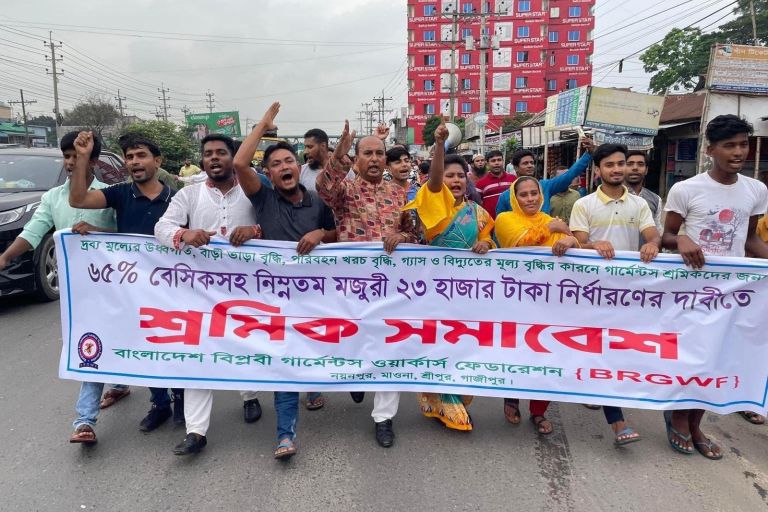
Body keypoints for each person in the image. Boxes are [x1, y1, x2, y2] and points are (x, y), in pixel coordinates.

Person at [234, 103, 337, 459]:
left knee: (313, 349)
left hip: (314, 298)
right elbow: (238, 164)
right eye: (275, 164)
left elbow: (336, 236)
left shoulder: (316, 201)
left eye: (288, 161)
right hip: (275, 300)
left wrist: (320, 234)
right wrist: (263, 125)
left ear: (298, 167)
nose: (283, 168)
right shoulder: (262, 197)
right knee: (285, 362)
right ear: (268, 174)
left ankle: (316, 385)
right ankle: (285, 435)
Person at [663, 115, 768, 458]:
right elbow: (666, 235)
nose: (738, 152)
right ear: (710, 150)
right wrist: (681, 240)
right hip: (692, 292)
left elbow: (750, 239)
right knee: (692, 357)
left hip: (733, 293)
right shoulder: (686, 189)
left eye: (743, 144)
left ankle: (696, 423)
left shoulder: (756, 190)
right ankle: (679, 417)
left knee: (717, 360)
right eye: (729, 145)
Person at [153, 133, 264, 455]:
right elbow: (162, 227)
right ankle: (196, 431)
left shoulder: (253, 190)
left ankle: (249, 396)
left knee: (245, 343)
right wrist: (184, 233)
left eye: (221, 153)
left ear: (234, 157)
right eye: (208, 154)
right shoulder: (189, 195)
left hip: (249, 287)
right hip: (201, 290)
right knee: (198, 354)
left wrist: (256, 232)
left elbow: (273, 224)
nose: (214, 158)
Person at [69, 132, 181, 439]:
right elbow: (78, 199)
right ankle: (160, 404)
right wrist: (81, 157)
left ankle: (182, 399)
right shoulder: (119, 193)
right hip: (131, 290)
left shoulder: (177, 199)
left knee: (173, 345)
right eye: (129, 157)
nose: (135, 162)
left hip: (172, 289)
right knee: (146, 345)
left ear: (157, 161)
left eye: (141, 155)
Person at [316, 120, 419, 448]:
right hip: (352, 288)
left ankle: (384, 418)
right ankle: (356, 374)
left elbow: (413, 234)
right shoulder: (343, 192)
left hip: (391, 289)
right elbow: (323, 186)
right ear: (356, 160)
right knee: (354, 341)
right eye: (367, 153)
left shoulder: (399, 193)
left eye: (379, 153)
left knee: (390, 347)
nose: (374, 158)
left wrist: (400, 235)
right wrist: (341, 150)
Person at [403, 120, 495, 431]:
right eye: (449, 175)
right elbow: (434, 181)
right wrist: (440, 146)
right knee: (438, 343)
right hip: (432, 289)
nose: (454, 180)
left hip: (468, 293)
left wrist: (486, 243)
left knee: (464, 344)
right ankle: (445, 402)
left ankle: (455, 395)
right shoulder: (432, 201)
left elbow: (490, 242)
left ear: (467, 180)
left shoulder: (480, 213)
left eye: (460, 175)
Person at [568, 143, 661, 446]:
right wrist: (593, 245)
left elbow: (651, 235)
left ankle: (595, 386)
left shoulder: (640, 205)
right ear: (598, 170)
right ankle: (617, 420)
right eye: (610, 165)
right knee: (604, 350)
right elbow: (578, 245)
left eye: (622, 163)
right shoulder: (584, 205)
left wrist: (652, 245)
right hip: (594, 292)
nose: (618, 169)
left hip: (629, 292)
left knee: (618, 349)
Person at [494, 177, 576, 434]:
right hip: (516, 299)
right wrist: (553, 228)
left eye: (534, 194)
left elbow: (577, 253)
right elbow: (521, 242)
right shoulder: (506, 219)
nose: (530, 199)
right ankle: (512, 397)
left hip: (552, 302)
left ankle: (539, 412)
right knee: (517, 352)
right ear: (514, 198)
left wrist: (572, 241)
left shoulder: (548, 219)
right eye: (524, 195)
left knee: (548, 354)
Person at [496, 141, 594, 216]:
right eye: (525, 163)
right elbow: (500, 224)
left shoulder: (545, 186)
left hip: (545, 239)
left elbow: (569, 175)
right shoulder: (506, 196)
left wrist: (588, 154)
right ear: (516, 167)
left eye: (532, 162)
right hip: (520, 241)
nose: (530, 165)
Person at [626, 150, 662, 233]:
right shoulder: (613, 196)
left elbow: (657, 232)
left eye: (640, 164)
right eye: (629, 164)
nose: (635, 168)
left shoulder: (656, 200)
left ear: (646, 170)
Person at [475, 149, 516, 218]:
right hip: (491, 224)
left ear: (503, 161)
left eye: (499, 160)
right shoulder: (480, 184)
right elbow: (477, 205)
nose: (496, 163)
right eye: (493, 161)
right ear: (487, 163)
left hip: (511, 221)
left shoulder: (513, 179)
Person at [299, 128, 330, 193]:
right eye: (305, 147)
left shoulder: (344, 171)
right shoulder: (301, 171)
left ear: (323, 146)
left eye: (310, 147)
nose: (305, 152)